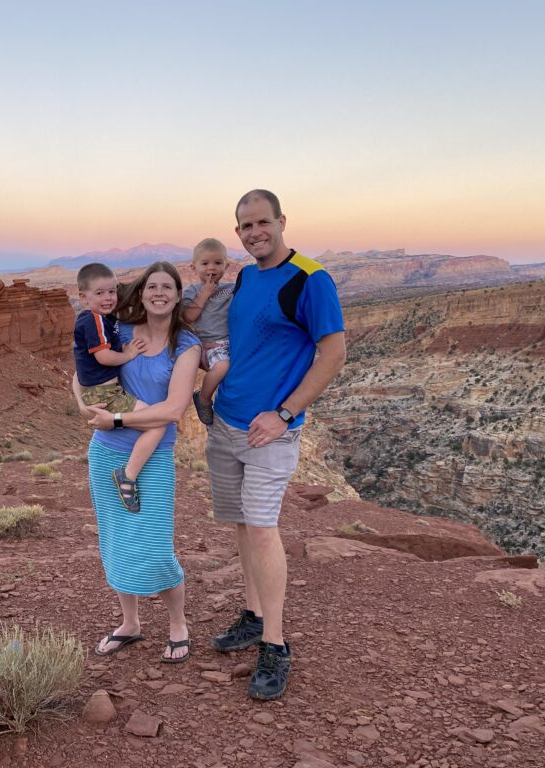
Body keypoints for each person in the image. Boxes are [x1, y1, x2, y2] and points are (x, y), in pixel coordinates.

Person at [207, 189, 346, 700]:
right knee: (242, 524)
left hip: (271, 431)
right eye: (244, 226)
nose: (253, 233)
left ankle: (274, 644)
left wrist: (285, 412)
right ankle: (253, 613)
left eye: (262, 222)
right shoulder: (245, 276)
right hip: (226, 423)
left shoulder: (311, 278)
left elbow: (333, 354)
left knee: (263, 529)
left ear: (282, 221)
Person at [72, 261, 201, 663]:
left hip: (154, 456)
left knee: (156, 546)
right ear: (142, 293)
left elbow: (174, 409)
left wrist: (118, 418)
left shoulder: (187, 345)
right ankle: (130, 623)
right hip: (107, 450)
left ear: (178, 295)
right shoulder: (121, 331)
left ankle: (177, 623)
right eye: (152, 287)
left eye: (167, 287)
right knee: (115, 539)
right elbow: (82, 371)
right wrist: (82, 406)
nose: (159, 293)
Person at [72, 262, 164, 513]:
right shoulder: (94, 321)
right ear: (83, 297)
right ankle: (128, 475)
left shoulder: (102, 318)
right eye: (99, 293)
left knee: (154, 420)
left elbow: (80, 369)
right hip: (105, 394)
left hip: (102, 392)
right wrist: (128, 354)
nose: (108, 298)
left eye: (112, 292)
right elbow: (103, 357)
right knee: (157, 423)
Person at [180, 238, 235, 425]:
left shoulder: (231, 289)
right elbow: (188, 317)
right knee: (222, 367)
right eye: (205, 263)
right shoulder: (192, 291)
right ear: (193, 268)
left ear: (226, 266)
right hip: (211, 344)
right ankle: (203, 398)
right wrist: (204, 294)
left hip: (233, 342)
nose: (211, 268)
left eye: (218, 263)